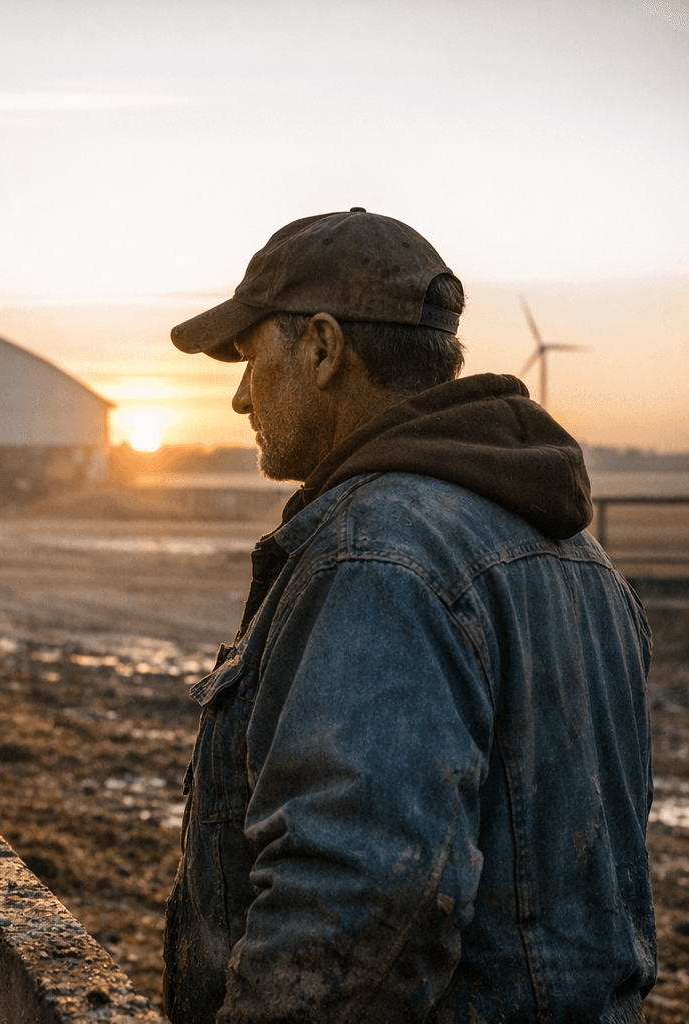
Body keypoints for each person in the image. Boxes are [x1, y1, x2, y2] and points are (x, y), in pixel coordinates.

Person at [161, 209, 655, 1023]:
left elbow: (357, 907)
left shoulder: (374, 558)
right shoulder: (583, 558)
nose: (242, 397)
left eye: (252, 360)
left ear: (323, 348)